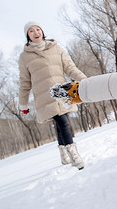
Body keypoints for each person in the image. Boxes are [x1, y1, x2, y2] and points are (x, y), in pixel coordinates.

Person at [18, 21, 86, 170]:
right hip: (45, 96)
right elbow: (24, 82)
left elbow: (70, 68)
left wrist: (85, 80)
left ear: (42, 31)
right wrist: (23, 104)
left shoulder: (56, 48)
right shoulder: (24, 57)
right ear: (27, 36)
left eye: (38, 29)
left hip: (61, 91)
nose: (36, 33)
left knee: (62, 122)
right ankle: (74, 154)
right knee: (62, 122)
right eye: (31, 31)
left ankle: (63, 153)